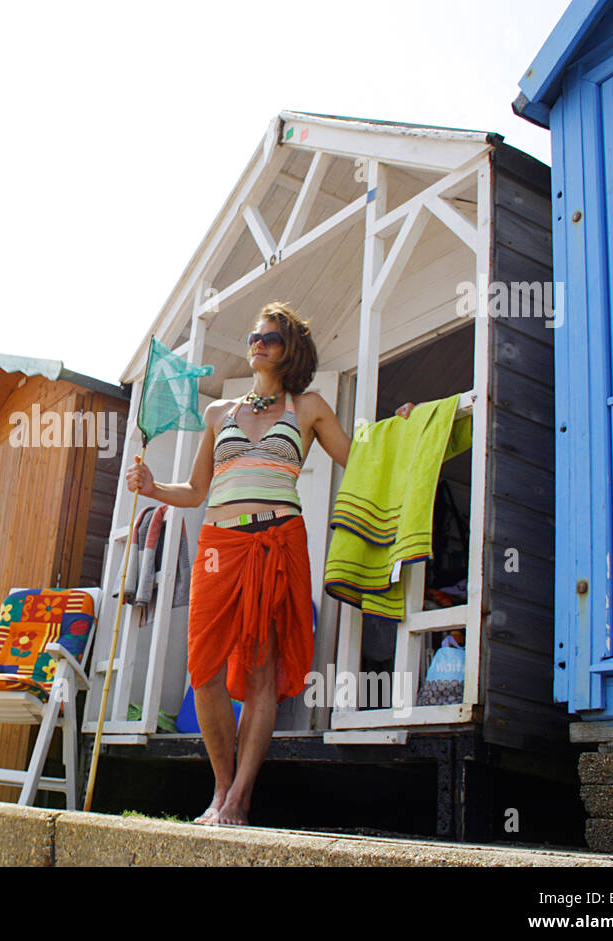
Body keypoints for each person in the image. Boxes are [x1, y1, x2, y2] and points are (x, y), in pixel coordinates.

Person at [124, 301, 413, 826]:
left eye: (271, 338)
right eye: (255, 336)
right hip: (219, 543)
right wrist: (151, 487)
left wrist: (397, 428)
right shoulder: (219, 414)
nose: (258, 343)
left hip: (279, 541)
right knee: (204, 668)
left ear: (290, 351)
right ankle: (219, 788)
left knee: (260, 673)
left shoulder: (309, 408)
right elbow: (193, 491)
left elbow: (360, 460)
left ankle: (238, 800)